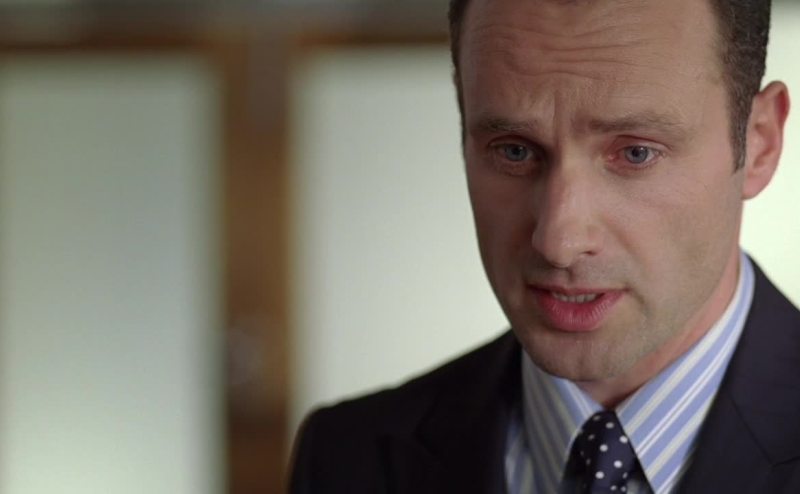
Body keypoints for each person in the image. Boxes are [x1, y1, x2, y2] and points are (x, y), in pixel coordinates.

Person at [289, 0, 799, 492]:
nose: (558, 242)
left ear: (760, 142)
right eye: (514, 151)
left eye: (636, 153)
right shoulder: (347, 458)